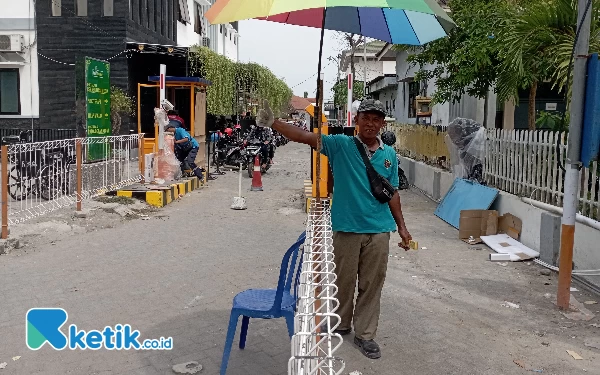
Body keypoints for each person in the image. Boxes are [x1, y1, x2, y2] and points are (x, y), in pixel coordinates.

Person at [256, 98, 412, 360]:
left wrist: (403, 228)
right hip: (346, 228)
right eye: (366, 118)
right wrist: (275, 123)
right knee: (343, 281)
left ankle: (366, 335)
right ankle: (341, 323)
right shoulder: (341, 145)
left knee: (372, 285)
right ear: (357, 120)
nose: (371, 124)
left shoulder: (390, 155)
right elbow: (305, 136)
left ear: (382, 123)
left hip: (378, 230)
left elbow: (392, 193)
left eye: (376, 119)